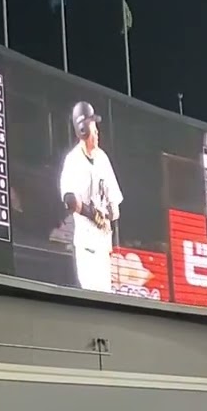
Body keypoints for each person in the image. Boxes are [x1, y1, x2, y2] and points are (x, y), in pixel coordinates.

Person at [58, 101, 123, 293]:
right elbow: (70, 200)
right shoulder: (73, 160)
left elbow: (115, 206)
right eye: (94, 130)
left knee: (107, 298)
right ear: (83, 130)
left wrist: (107, 214)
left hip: (104, 246)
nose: (97, 134)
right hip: (87, 246)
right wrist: (92, 213)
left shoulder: (102, 158)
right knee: (93, 295)